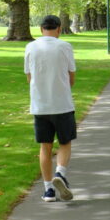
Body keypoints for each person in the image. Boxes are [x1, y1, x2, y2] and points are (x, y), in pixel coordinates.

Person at [24, 14, 76, 202]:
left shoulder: (30, 47)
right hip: (62, 104)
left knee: (45, 147)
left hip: (40, 105)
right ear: (59, 29)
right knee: (65, 142)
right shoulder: (65, 47)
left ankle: (48, 191)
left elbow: (29, 77)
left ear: (41, 29)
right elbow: (71, 77)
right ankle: (60, 174)